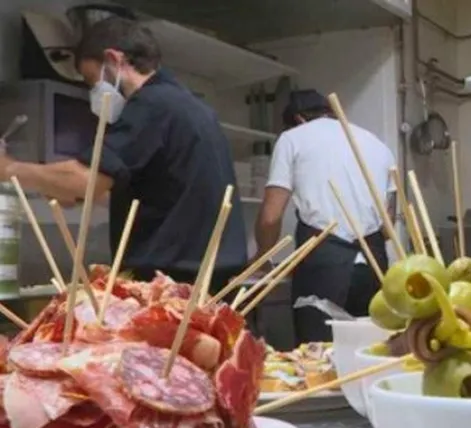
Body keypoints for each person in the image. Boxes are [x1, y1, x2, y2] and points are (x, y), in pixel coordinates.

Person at [0, 18, 247, 292]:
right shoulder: (192, 106)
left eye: (91, 80)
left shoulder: (150, 104)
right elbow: (161, 192)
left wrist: (9, 168)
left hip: (173, 283)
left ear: (113, 59)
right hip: (213, 277)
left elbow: (85, 178)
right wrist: (75, 192)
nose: (93, 91)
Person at [254, 89, 396, 342]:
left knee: (318, 358)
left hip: (323, 265)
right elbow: (388, 224)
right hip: (374, 266)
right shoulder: (376, 143)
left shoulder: (291, 139)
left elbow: (271, 217)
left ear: (297, 118)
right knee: (370, 350)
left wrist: (262, 260)